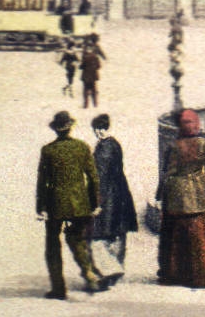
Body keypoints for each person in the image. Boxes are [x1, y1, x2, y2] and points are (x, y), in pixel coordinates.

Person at [35, 110, 103, 299]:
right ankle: (89, 275)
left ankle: (58, 288)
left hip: (55, 205)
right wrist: (94, 203)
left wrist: (40, 207)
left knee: (53, 245)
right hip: (80, 204)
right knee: (77, 240)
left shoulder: (48, 150)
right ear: (70, 128)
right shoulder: (82, 147)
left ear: (56, 130)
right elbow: (93, 177)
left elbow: (42, 181)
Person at [156, 109, 205, 290]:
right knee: (203, 233)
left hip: (178, 194)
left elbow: (168, 173)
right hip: (202, 191)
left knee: (174, 234)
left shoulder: (173, 146)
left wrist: (159, 195)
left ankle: (176, 273)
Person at [89, 115, 138, 283]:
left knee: (102, 232)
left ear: (106, 128)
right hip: (121, 190)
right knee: (118, 230)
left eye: (101, 128)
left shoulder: (104, 148)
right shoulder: (114, 143)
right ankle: (116, 266)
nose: (99, 132)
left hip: (108, 193)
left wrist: (97, 200)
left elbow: (101, 176)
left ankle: (110, 269)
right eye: (97, 129)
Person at [80, 38, 103, 108]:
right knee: (94, 90)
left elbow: (81, 66)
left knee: (85, 91)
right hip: (93, 76)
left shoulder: (84, 57)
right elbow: (99, 66)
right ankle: (95, 104)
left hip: (86, 76)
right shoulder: (95, 57)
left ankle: (85, 105)